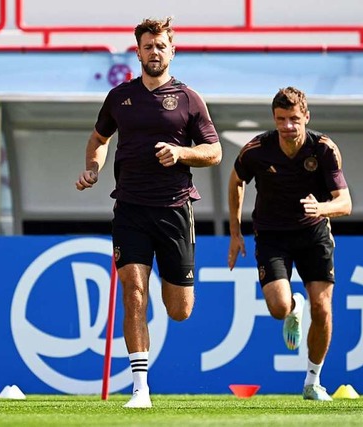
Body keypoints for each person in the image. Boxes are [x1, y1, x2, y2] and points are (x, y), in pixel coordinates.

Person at [75, 17, 222, 408]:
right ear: (137, 51)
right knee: (133, 293)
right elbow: (98, 138)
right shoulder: (119, 97)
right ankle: (140, 388)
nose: (154, 52)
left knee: (180, 311)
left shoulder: (190, 99)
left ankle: (169, 282)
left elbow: (214, 151)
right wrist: (93, 166)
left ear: (172, 51)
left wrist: (181, 153)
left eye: (161, 46)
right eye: (148, 46)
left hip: (175, 210)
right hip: (130, 209)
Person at [227, 87, 352, 401]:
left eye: (294, 119)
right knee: (279, 308)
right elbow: (235, 181)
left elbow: (345, 202)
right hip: (272, 235)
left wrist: (321, 208)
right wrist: (235, 231)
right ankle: (295, 307)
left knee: (322, 308)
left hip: (314, 234)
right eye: (281, 119)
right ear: (274, 118)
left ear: (306, 117)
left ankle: (313, 382)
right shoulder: (256, 150)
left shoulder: (324, 149)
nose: (288, 126)